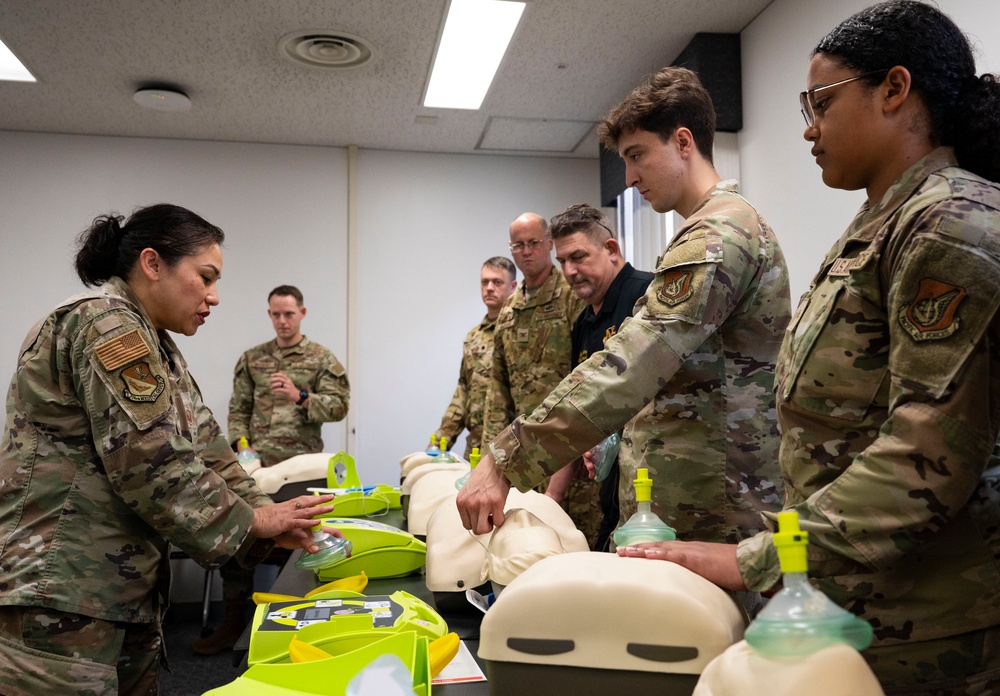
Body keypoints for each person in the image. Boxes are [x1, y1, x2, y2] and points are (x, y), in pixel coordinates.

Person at [617, 3, 1000, 693]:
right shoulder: (881, 225)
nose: (807, 127)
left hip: (937, 621)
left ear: (894, 90)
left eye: (821, 102)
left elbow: (929, 452)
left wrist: (754, 560)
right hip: (859, 597)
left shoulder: (949, 225)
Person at [0, 204, 340, 695]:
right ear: (152, 263)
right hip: (60, 593)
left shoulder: (158, 348)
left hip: (117, 590)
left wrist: (272, 521)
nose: (214, 296)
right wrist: (256, 523)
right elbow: (151, 463)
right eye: (205, 277)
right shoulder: (106, 324)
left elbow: (209, 451)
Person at [457, 68, 790, 563]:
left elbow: (632, 364)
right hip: (692, 504)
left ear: (682, 142)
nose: (630, 178)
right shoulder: (704, 231)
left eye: (637, 156)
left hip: (715, 512)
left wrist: (506, 457)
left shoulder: (717, 233)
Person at [192, 284, 350, 655]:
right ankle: (233, 623)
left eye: (289, 314)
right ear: (269, 315)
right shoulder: (253, 359)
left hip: (301, 471)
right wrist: (241, 445)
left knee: (304, 540)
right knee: (241, 535)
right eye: (276, 314)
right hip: (254, 471)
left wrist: (301, 396)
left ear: (302, 314)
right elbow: (237, 408)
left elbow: (340, 406)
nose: (282, 321)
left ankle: (305, 626)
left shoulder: (321, 358)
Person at [543, 203, 654, 551]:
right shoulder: (584, 322)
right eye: (562, 261)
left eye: (578, 256)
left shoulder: (646, 295)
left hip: (654, 495)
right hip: (613, 493)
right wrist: (549, 501)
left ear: (611, 249)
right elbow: (579, 407)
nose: (570, 271)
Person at [480, 212, 587, 534]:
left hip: (571, 459)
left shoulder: (572, 297)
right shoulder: (509, 311)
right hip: (523, 458)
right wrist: (488, 462)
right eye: (518, 245)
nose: (526, 251)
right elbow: (498, 393)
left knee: (575, 547)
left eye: (533, 243)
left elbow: (586, 382)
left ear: (549, 244)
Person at [433, 257, 518, 460]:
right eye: (484, 282)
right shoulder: (474, 337)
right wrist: (439, 442)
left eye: (497, 282)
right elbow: (463, 391)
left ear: (513, 286)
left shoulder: (520, 332)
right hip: (476, 449)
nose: (489, 288)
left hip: (512, 447)